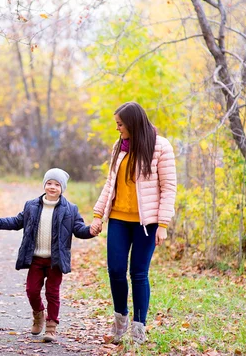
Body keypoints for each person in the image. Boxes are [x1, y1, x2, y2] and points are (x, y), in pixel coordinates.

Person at [89, 101, 177, 345]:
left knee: (138, 273)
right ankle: (120, 322)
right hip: (118, 218)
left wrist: (163, 224)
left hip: (146, 224)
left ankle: (139, 328)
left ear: (133, 123)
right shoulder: (120, 146)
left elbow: (169, 187)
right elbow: (110, 184)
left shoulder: (161, 147)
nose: (117, 129)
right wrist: (98, 215)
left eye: (120, 124)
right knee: (116, 270)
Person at [0, 168, 98, 343]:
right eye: (49, 183)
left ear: (63, 188)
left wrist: (90, 231)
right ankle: (38, 314)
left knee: (52, 293)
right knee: (31, 290)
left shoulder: (70, 209)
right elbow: (17, 222)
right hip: (36, 259)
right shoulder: (31, 206)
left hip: (55, 261)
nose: (52, 187)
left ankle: (51, 327)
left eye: (57, 184)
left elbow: (79, 229)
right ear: (44, 185)